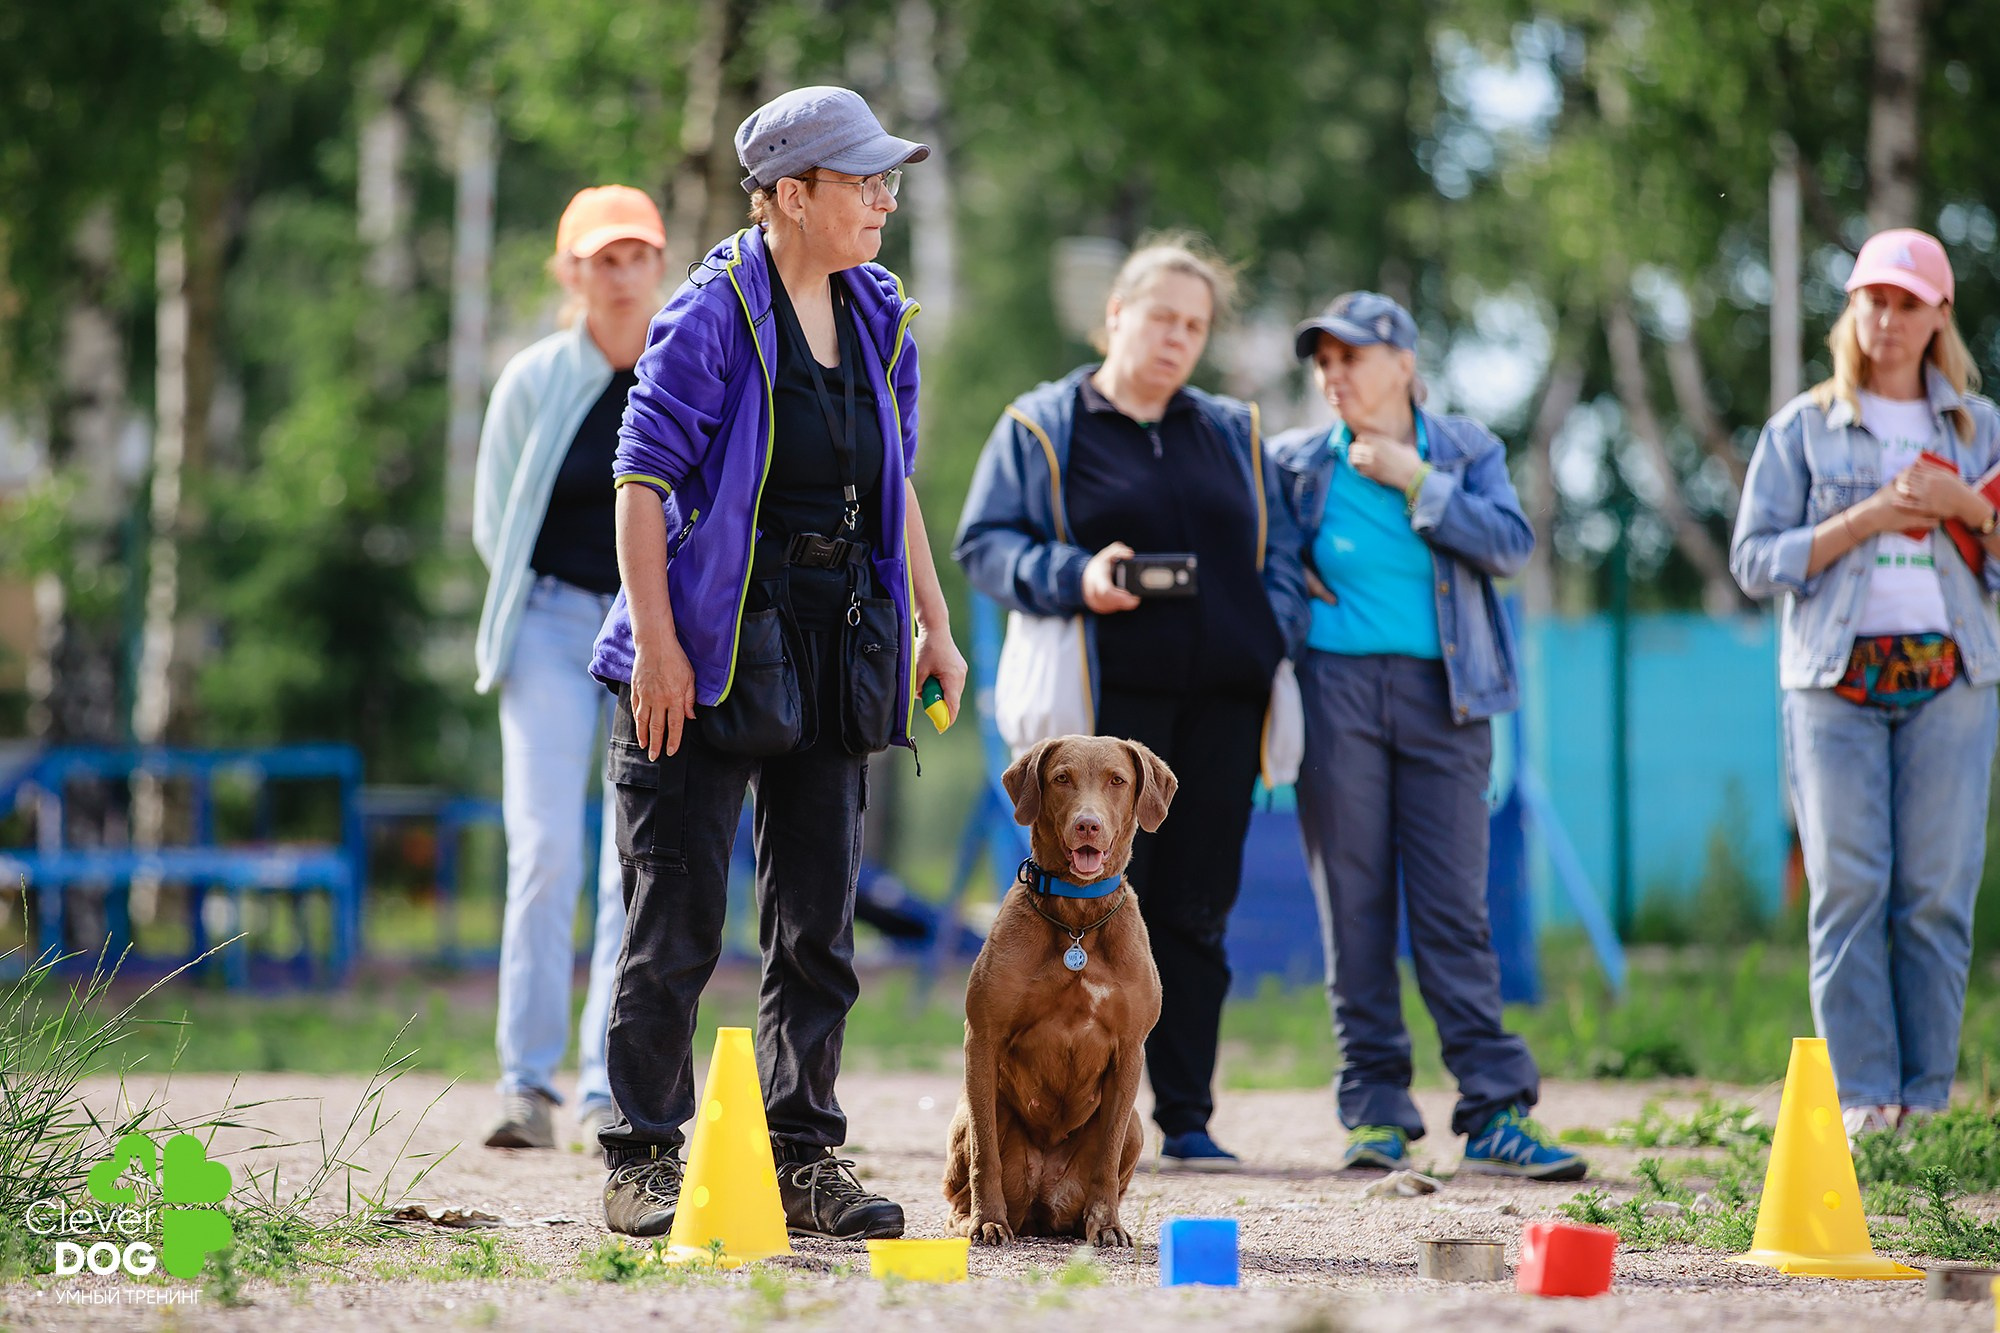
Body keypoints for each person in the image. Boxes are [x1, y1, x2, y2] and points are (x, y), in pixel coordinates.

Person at [586, 86, 968, 1240]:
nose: (883, 199)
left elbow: (892, 482)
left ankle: (801, 1155)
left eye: (887, 179)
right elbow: (641, 480)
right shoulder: (709, 313)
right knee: (677, 918)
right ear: (789, 197)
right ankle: (642, 1154)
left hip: (827, 639)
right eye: (862, 181)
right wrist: (657, 648)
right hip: (701, 650)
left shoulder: (879, 313)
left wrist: (931, 626)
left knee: (817, 923)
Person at [953, 236, 1310, 1171]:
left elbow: (1277, 554)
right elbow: (984, 542)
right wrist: (1075, 574)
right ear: (1115, 312)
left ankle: (1184, 1115)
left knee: (1194, 910)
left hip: (1225, 704)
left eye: (1195, 325)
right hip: (1107, 714)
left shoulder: (1233, 430)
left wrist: (1269, 631)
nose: (1177, 339)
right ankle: (1050, 1115)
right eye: (1161, 318)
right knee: (1081, 911)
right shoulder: (1043, 425)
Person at [1273, 291, 1584, 1182]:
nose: (1335, 376)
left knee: (1454, 908)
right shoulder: (1295, 463)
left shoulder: (1464, 448)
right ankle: (1373, 1110)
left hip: (1448, 697)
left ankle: (1492, 1111)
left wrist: (1416, 479)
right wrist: (1294, 586)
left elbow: (1510, 544)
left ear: (1404, 362)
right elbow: (1264, 564)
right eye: (1323, 362)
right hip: (1335, 695)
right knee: (1356, 907)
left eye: (1352, 357)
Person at [1732, 228, 2000, 1140]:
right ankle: (1862, 1105)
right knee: (1848, 888)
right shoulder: (1801, 426)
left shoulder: (1981, 427)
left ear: (1938, 316)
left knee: (1933, 892)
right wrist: (1867, 517)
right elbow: (1752, 559)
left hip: (1951, 679)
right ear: (1852, 310)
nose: (1886, 319)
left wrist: (1964, 507)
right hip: (1831, 682)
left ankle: (1924, 1103)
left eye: (1906, 303)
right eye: (1871, 300)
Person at [471, 185, 666, 1150]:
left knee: (634, 858)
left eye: (635, 255)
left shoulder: (687, 370)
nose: (619, 273)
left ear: (660, 265)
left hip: (650, 633)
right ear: (569, 272)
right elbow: (494, 522)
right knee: (545, 848)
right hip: (550, 624)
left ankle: (606, 1084)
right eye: (600, 257)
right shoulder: (533, 378)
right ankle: (525, 1085)